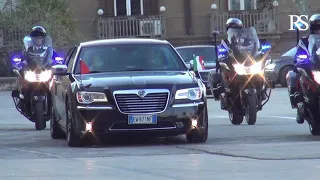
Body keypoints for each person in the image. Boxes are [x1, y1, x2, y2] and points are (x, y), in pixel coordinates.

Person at [288, 14, 320, 124]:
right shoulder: (304, 41)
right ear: (312, 29)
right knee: (295, 73)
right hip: (312, 66)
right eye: (317, 29)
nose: (319, 31)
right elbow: (299, 53)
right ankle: (298, 102)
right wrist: (301, 59)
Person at [211, 18, 244, 100]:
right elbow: (221, 54)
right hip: (232, 64)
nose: (235, 31)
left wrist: (259, 49)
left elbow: (254, 47)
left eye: (237, 29)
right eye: (232, 29)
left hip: (244, 63)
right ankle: (223, 91)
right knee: (222, 70)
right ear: (228, 30)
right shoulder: (225, 42)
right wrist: (223, 55)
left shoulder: (245, 40)